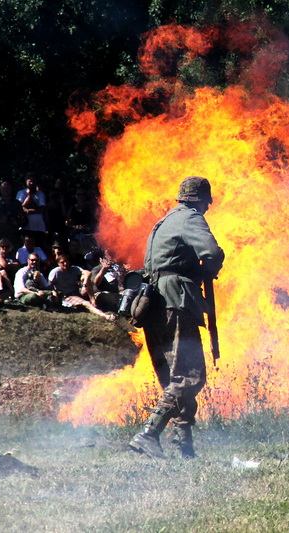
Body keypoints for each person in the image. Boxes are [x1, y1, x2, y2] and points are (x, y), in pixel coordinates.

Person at [129, 176, 224, 459]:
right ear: (200, 200)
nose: (207, 208)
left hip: (153, 302)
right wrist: (210, 266)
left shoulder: (164, 221)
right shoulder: (191, 219)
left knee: (174, 378)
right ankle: (148, 434)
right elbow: (211, 252)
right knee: (190, 376)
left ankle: (184, 448)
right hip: (176, 300)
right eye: (207, 203)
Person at [47, 253, 115, 321]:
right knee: (86, 303)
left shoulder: (74, 269)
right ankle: (105, 316)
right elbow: (49, 286)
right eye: (62, 262)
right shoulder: (55, 272)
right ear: (58, 264)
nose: (65, 264)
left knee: (84, 277)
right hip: (66, 296)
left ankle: (93, 300)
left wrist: (85, 285)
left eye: (67, 261)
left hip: (77, 292)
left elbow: (88, 273)